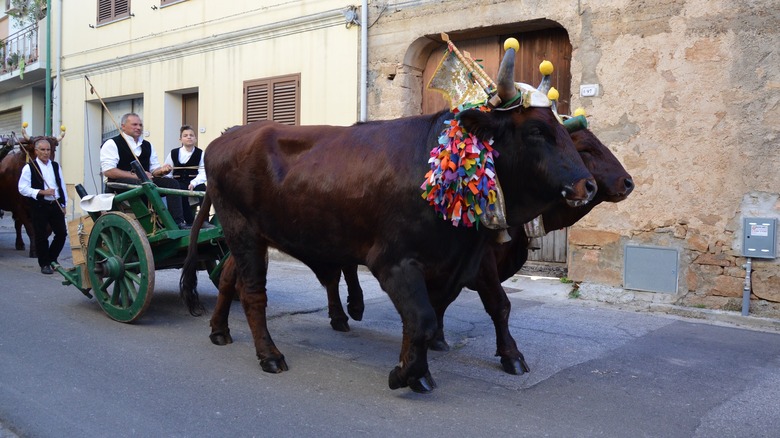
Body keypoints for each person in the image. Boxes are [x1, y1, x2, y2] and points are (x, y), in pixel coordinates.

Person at [100, 113, 189, 229]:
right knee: (145, 186)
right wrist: (137, 176)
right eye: (134, 124)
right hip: (119, 185)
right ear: (123, 126)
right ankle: (150, 223)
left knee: (172, 184)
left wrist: (162, 171)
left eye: (140, 125)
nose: (138, 127)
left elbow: (154, 170)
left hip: (146, 182)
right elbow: (109, 171)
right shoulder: (112, 143)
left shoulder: (147, 145)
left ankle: (177, 222)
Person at [18, 138, 68, 274]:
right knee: (41, 236)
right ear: (36, 151)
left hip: (55, 203)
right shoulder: (30, 168)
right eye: (43, 150)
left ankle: (52, 258)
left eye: (48, 150)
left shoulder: (56, 166)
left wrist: (64, 204)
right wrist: (41, 192)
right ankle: (44, 263)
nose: (46, 153)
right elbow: (22, 188)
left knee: (62, 233)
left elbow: (61, 185)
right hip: (40, 205)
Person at [163, 125, 207, 225]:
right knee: (180, 192)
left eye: (191, 135)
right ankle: (189, 221)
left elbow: (203, 172)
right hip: (178, 182)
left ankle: (204, 221)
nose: (189, 137)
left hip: (195, 182)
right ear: (180, 139)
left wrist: (194, 183)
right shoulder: (173, 153)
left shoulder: (201, 153)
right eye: (185, 135)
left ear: (195, 139)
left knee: (205, 191)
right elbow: (168, 173)